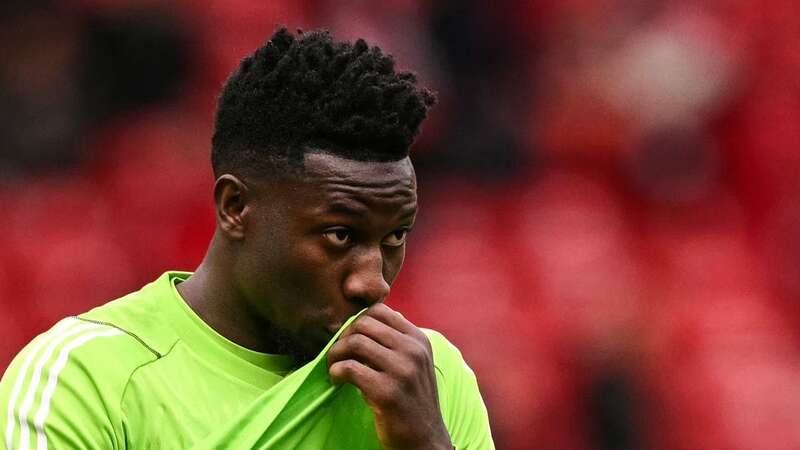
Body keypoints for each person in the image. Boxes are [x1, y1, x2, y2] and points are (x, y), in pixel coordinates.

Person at [0, 28, 494, 449]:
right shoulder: (84, 378)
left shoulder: (429, 382)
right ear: (236, 207)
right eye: (340, 235)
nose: (373, 283)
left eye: (394, 238)